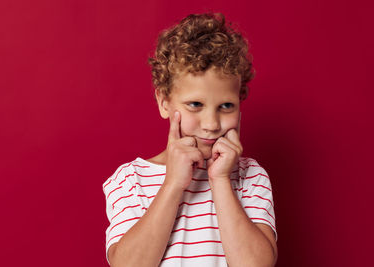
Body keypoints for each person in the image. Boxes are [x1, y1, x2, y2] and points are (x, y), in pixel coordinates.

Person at [103, 12, 277, 267]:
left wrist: (219, 179)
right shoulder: (130, 180)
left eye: (226, 106)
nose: (211, 124)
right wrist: (173, 184)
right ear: (164, 102)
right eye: (195, 104)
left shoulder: (250, 177)